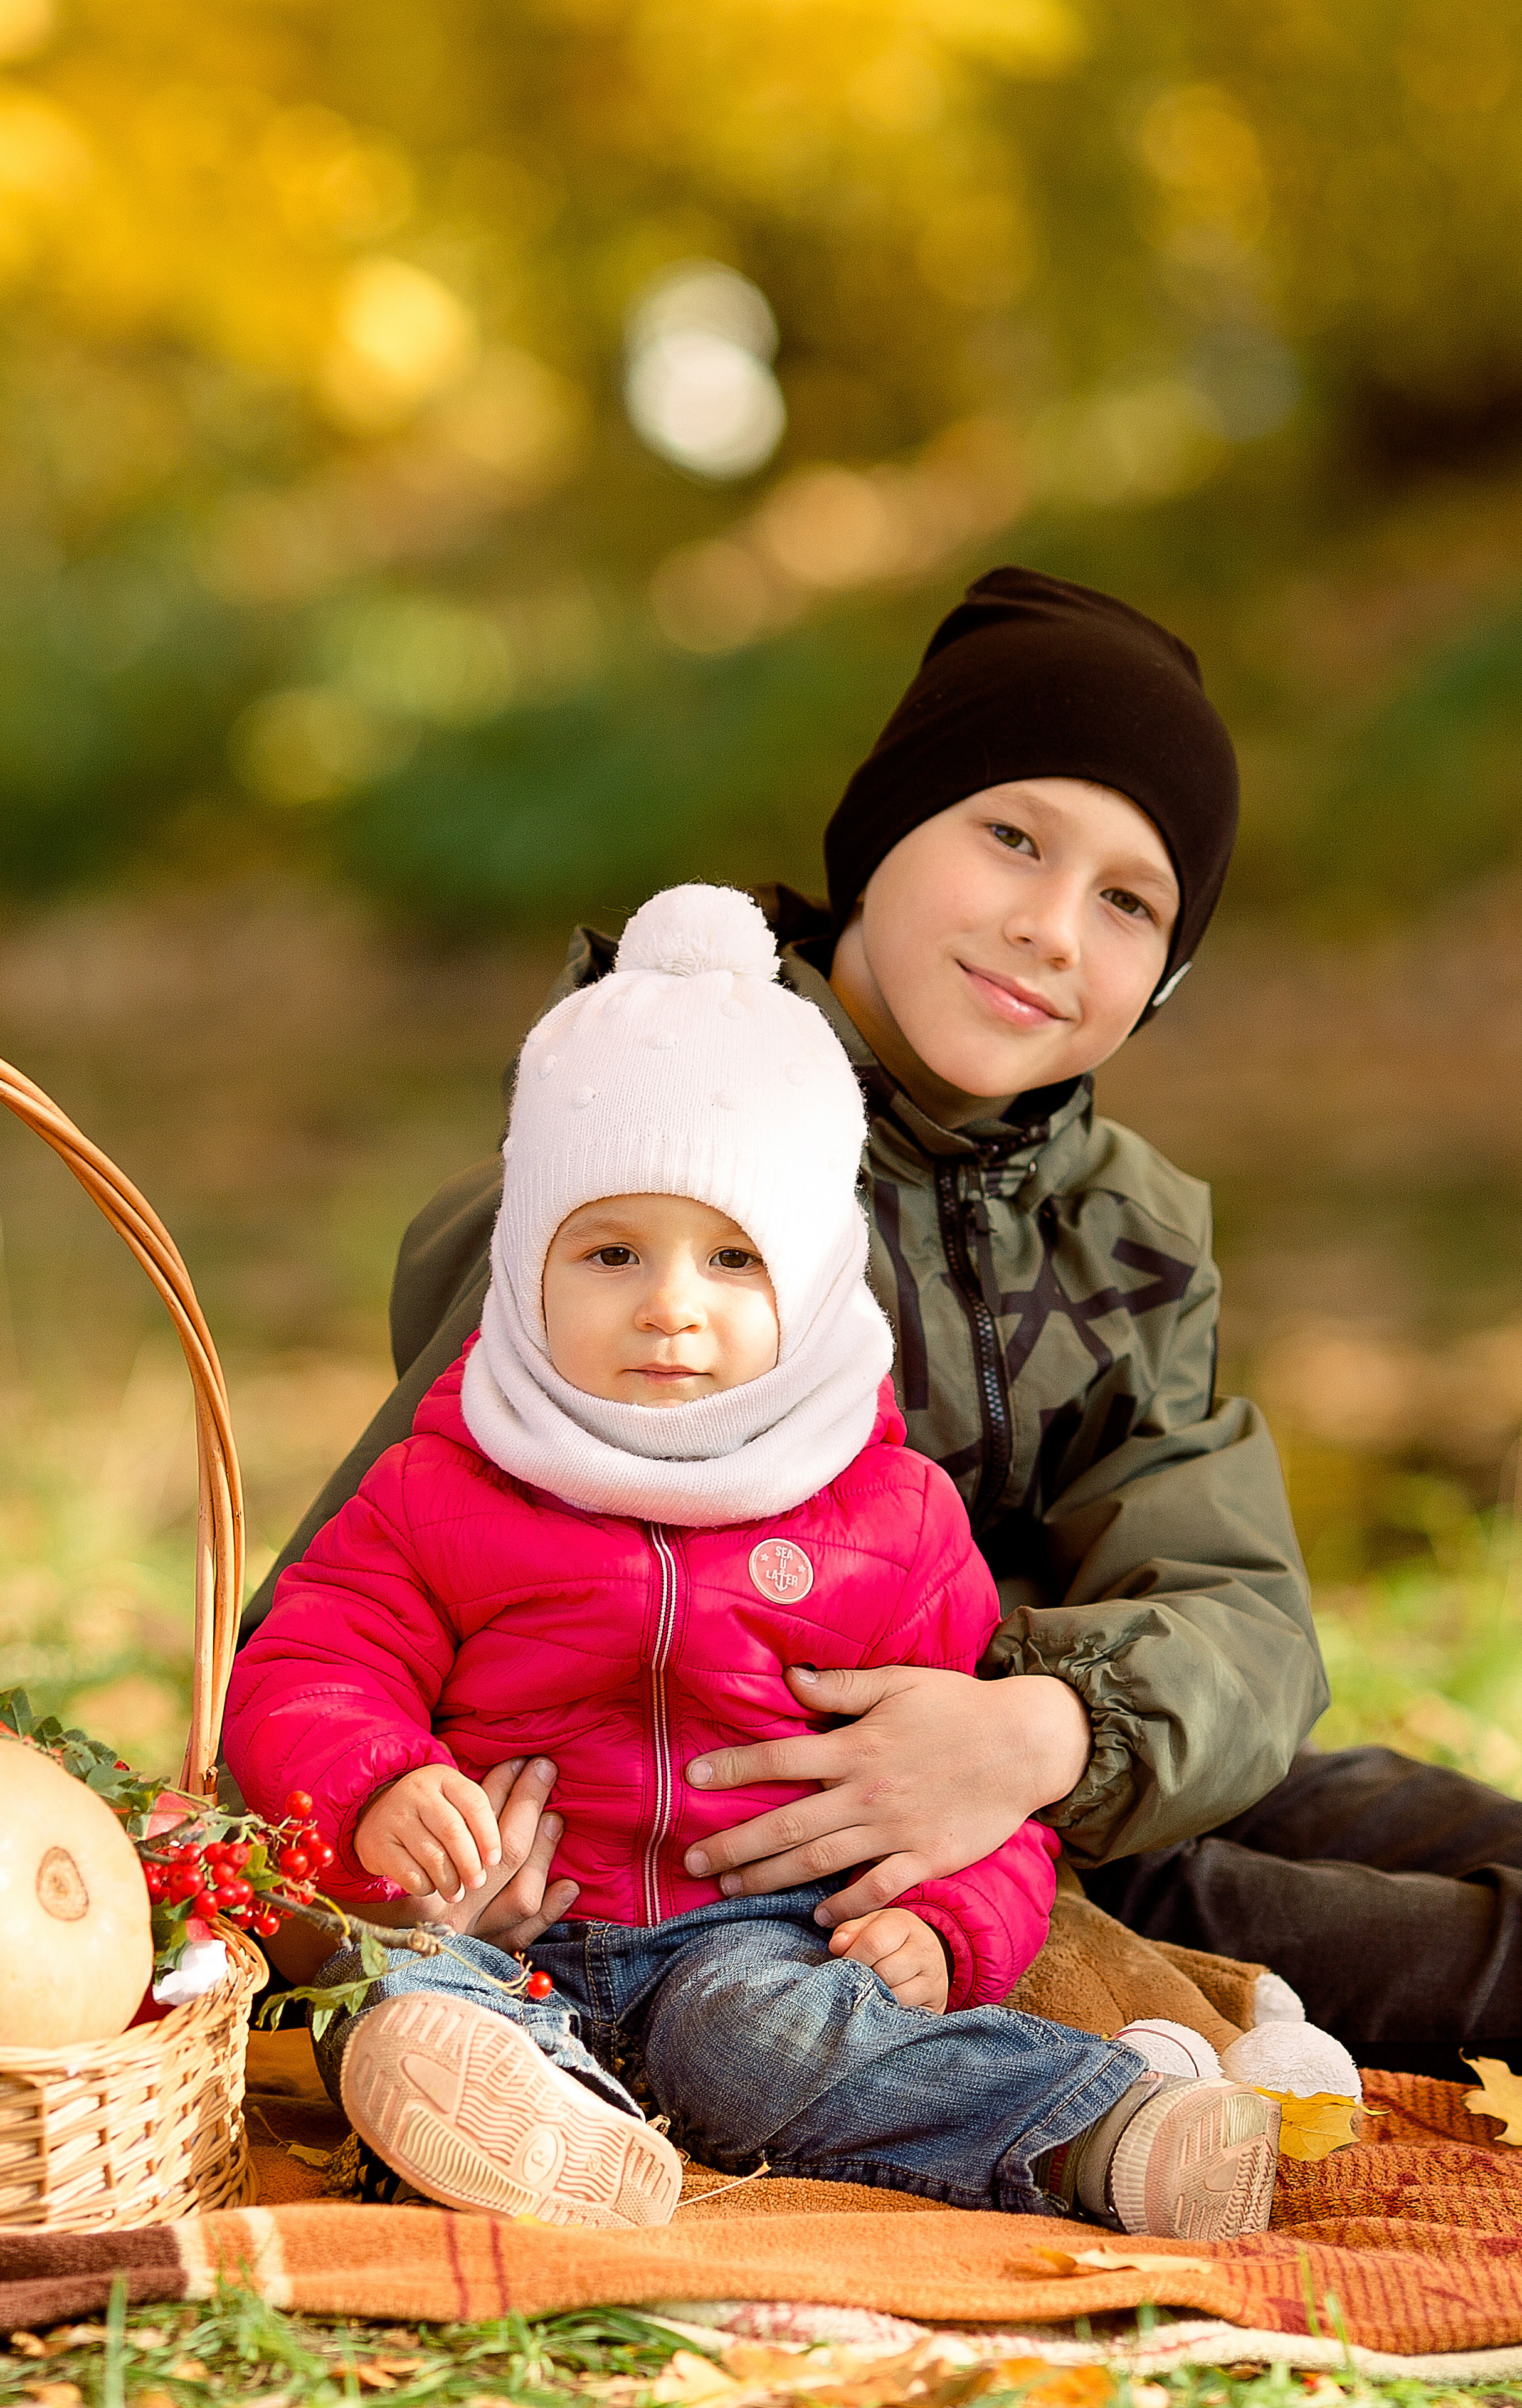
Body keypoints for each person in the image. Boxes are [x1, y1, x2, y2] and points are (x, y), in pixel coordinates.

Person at [241, 564, 1522, 2081]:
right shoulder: (669, 1152)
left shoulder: (1122, 1229)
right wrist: (422, 1834)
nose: (1050, 926)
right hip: (814, 1858)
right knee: (1456, 1965)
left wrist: (1043, 1733)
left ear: (1163, 974)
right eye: (1010, 837)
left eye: (1127, 899)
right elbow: (346, 1604)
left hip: (1053, 1773)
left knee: (1458, 1840)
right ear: (880, 837)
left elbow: (1239, 1615)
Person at [225, 883, 1283, 2237]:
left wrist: (951, 1922)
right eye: (611, 1251)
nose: (670, 1306)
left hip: (751, 1942)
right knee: (400, 1996)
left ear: (816, 1277)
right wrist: (381, 1795)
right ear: (522, 1268)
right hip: (499, 1923)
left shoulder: (886, 1521)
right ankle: (536, 2127)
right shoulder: (444, 1484)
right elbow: (310, 1661)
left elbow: (969, 1800)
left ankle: (1097, 2131)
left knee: (760, 2038)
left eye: (733, 1259)